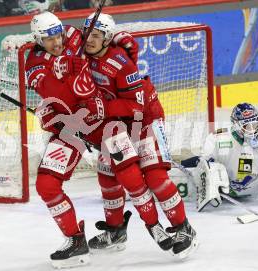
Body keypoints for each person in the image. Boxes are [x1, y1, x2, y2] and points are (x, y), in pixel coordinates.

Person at [26, 11, 175, 268]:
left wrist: (121, 43)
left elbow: (103, 45)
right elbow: (50, 90)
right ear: (38, 39)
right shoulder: (35, 63)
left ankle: (154, 226)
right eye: (49, 39)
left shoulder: (73, 35)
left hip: (106, 121)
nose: (57, 42)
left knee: (128, 175)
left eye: (58, 35)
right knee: (46, 185)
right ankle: (75, 241)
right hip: (71, 126)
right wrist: (61, 76)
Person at [81, 13, 198, 258]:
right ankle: (115, 231)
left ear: (107, 38)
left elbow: (136, 106)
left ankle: (183, 228)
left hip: (144, 120)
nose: (89, 39)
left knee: (154, 177)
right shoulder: (83, 56)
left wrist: (101, 110)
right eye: (87, 33)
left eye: (96, 35)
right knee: (107, 176)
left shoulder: (121, 63)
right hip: (115, 126)